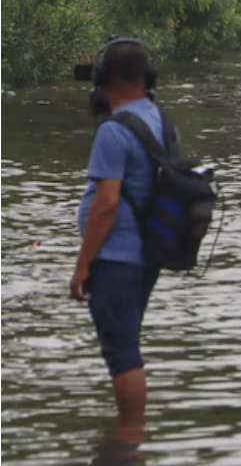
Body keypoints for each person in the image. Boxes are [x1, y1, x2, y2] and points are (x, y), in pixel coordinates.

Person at [71, 40, 166, 436]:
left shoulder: (114, 131)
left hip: (117, 257)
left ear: (104, 79)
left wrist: (82, 264)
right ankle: (130, 441)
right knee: (127, 344)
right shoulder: (156, 117)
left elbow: (106, 204)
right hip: (145, 254)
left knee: (121, 350)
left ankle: (128, 442)